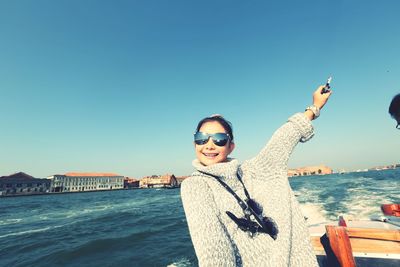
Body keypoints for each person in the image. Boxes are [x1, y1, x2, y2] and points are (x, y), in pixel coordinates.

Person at [181, 85, 332, 266]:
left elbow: (283, 138)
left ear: (231, 146)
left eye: (219, 139)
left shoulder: (254, 170)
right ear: (194, 143)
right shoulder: (195, 185)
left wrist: (315, 107)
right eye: (202, 138)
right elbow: (213, 250)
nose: (209, 145)